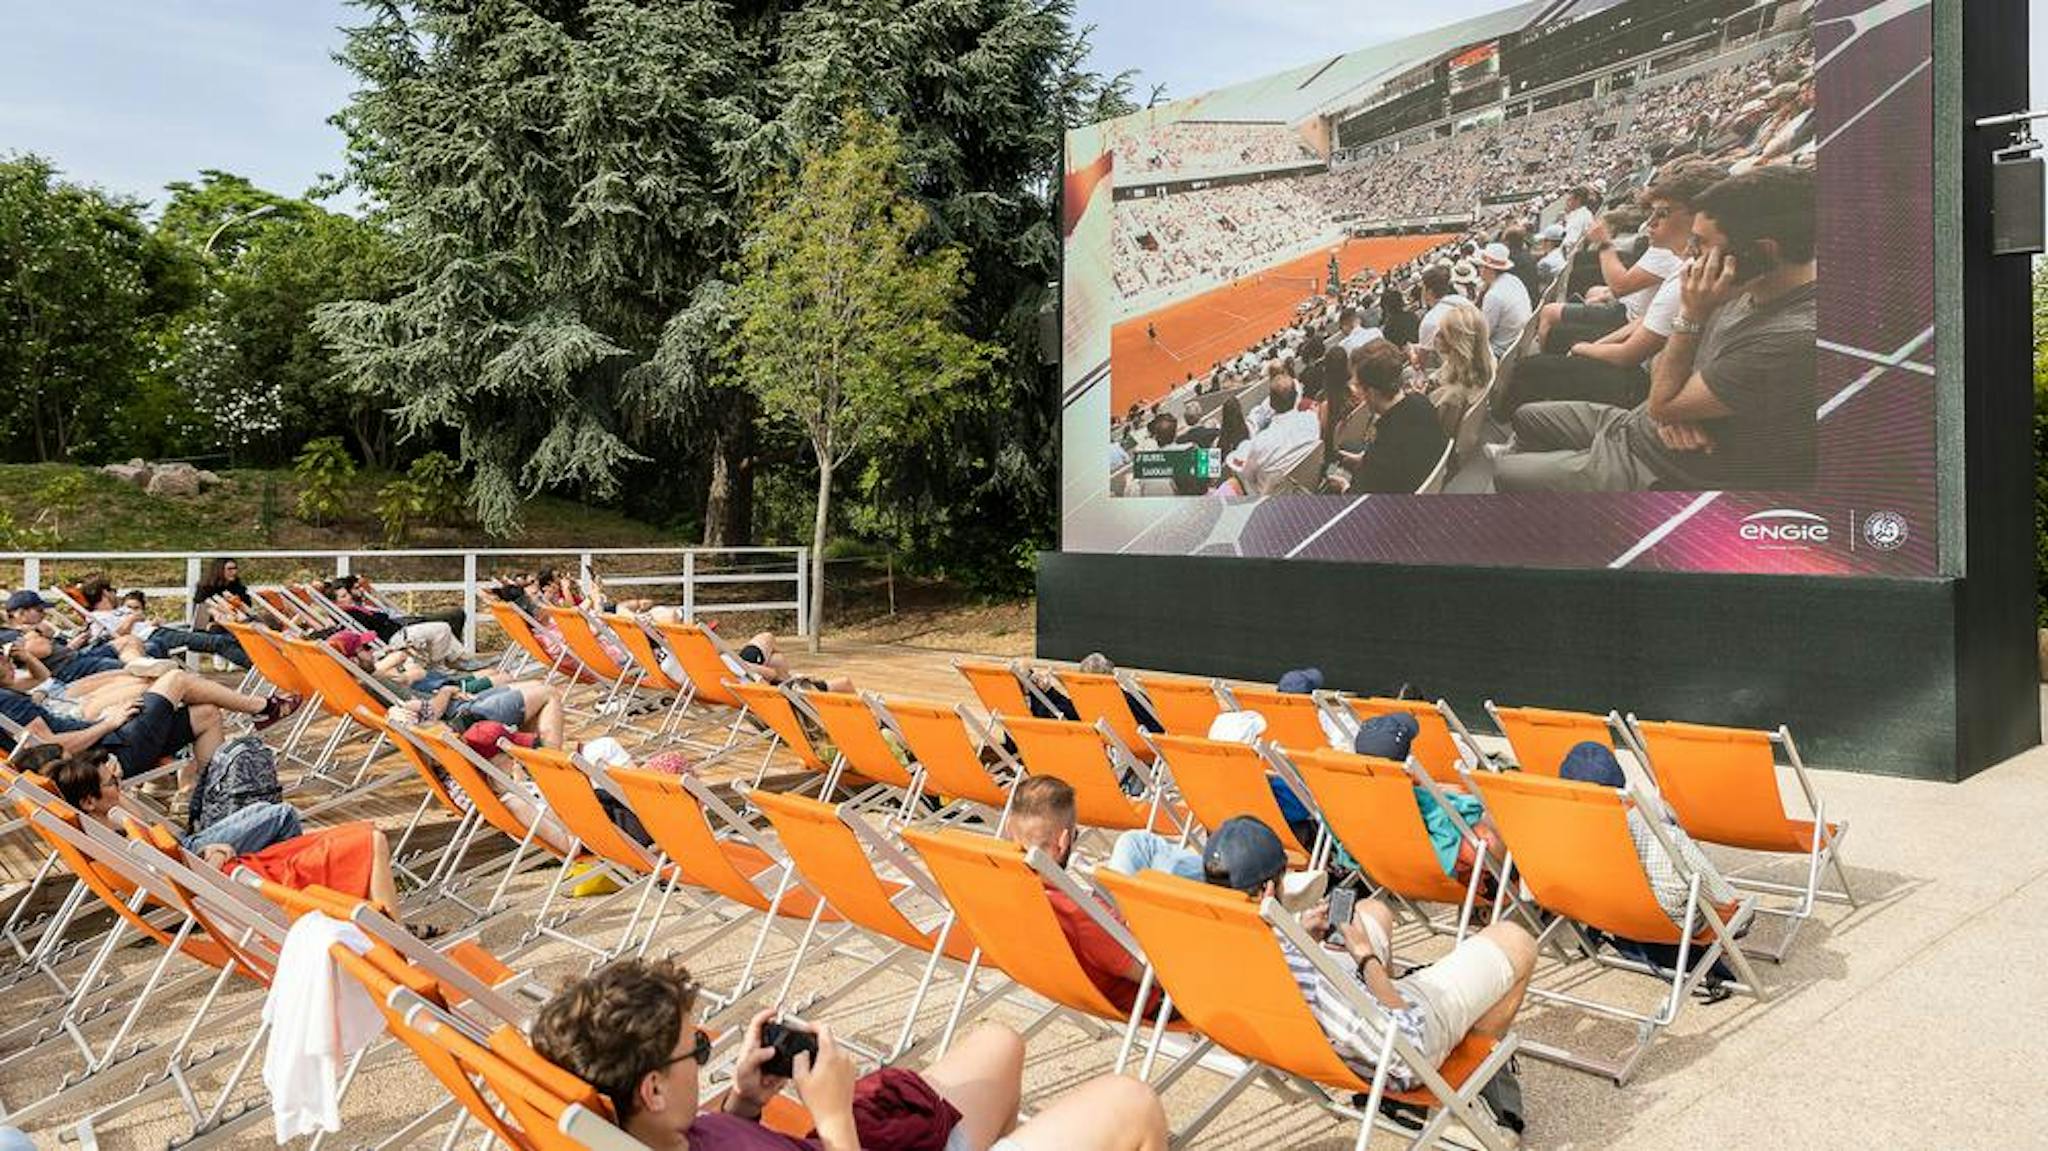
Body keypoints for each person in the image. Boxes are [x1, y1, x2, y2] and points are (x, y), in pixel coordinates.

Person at [529, 955, 1171, 1151]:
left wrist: (745, 1102)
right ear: (653, 1089)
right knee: (1131, 1102)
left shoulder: (655, 1131)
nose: (704, 1052)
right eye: (693, 1049)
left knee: (1001, 1043)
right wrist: (833, 1117)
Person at [1494, 165, 1817, 493]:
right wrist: (1674, 408)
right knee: (1527, 416)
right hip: (1641, 423)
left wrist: (1690, 320)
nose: (1691, 253)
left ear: (1762, 251)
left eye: (1702, 243)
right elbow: (1664, 374)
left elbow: (1661, 397)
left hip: (1659, 464)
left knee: (1506, 472)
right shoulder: (1740, 289)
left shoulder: (1789, 339)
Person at [1202, 817, 1535, 1117]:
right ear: (1271, 889)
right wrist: (1365, 958)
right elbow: (1409, 1040)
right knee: (1517, 942)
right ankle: (1475, 1078)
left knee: (1372, 912)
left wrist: (1300, 935)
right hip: (1391, 1055)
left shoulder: (1214, 941)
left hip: (1298, 1040)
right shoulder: (1310, 979)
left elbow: (1287, 963)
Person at [38, 748, 405, 917]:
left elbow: (168, 852)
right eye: (110, 782)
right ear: (88, 802)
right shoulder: (123, 832)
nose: (117, 783)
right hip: (216, 872)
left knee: (280, 816)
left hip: (209, 868)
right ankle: (351, 914)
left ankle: (347, 906)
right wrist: (215, 854)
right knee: (291, 818)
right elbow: (179, 861)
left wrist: (121, 801)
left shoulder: (106, 832)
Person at [1499, 162, 1729, 417]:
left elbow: (1630, 351)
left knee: (1532, 368)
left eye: (1662, 214)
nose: (1650, 223)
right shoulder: (1685, 266)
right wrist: (1594, 345)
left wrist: (1583, 348)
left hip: (1638, 381)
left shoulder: (1687, 276)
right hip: (1638, 347)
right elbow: (1645, 322)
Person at [1002, 776, 1158, 1015]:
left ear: (1009, 829)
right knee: (1140, 847)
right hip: (1147, 999)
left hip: (1073, 978)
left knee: (1133, 845)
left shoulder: (1007, 892)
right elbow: (1155, 976)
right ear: (1065, 841)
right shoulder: (1082, 913)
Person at [0, 669, 298, 783]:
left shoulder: (7, 698)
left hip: (108, 744)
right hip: (107, 756)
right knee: (175, 679)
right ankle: (263, 708)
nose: (8, 658)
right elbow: (52, 746)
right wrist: (108, 723)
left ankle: (212, 792)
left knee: (206, 713)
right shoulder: (5, 701)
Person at [1334, 340, 1448, 495]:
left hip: (1397, 507)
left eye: (1359, 386)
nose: (1356, 391)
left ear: (1372, 392)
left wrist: (1344, 487)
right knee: (1349, 447)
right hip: (1417, 477)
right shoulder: (1422, 401)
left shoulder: (1383, 452)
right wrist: (1364, 459)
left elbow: (1360, 498)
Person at [78, 577, 251, 669]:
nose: (116, 594)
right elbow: (115, 639)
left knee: (217, 635)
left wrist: (149, 621)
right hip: (153, 638)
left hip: (158, 631)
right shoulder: (97, 618)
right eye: (112, 591)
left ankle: (260, 658)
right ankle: (260, 667)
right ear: (105, 593)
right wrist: (132, 618)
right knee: (218, 642)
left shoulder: (116, 611)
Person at [1226, 376, 1321, 495]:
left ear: (1271, 403)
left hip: (1271, 501)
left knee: (1233, 482)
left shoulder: (1260, 443)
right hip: (1307, 488)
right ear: (1296, 398)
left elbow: (1247, 475)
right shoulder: (1311, 420)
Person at [1425, 302, 1496, 439]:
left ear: (1457, 344)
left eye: (1442, 334)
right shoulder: (1488, 360)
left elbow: (1440, 432)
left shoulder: (1453, 398)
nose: (1436, 336)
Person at [1474, 243, 1531, 359]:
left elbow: (1484, 335)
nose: (1479, 269)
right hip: (1515, 344)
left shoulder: (1494, 296)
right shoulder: (1514, 280)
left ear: (1487, 269)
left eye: (1481, 266)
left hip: (1499, 351)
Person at [1414, 265, 1470, 353]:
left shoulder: (1429, 321)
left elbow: (1422, 363)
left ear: (1429, 292)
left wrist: (1411, 352)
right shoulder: (1463, 301)